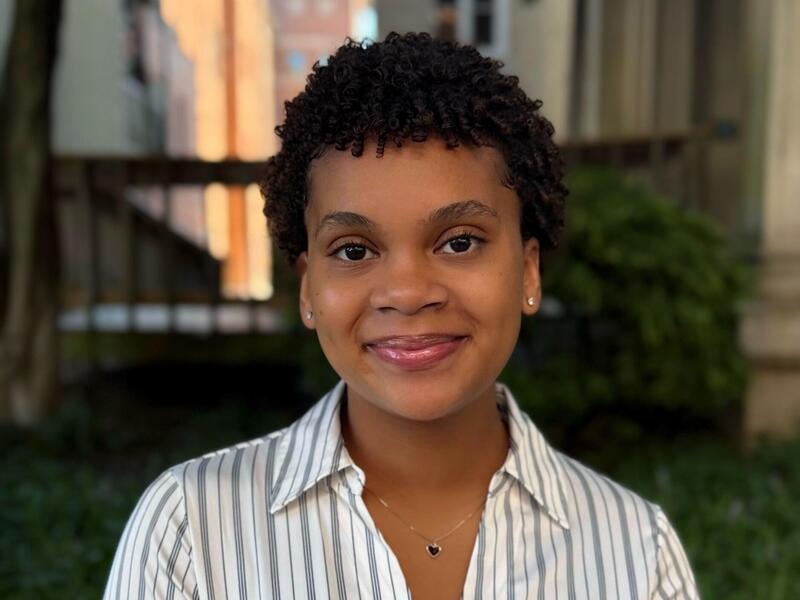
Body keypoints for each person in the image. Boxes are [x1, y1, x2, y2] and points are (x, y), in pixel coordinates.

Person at [103, 32, 699, 599]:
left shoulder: (635, 551)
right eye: (354, 251)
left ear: (529, 271)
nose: (408, 292)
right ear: (309, 288)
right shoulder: (191, 531)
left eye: (459, 241)